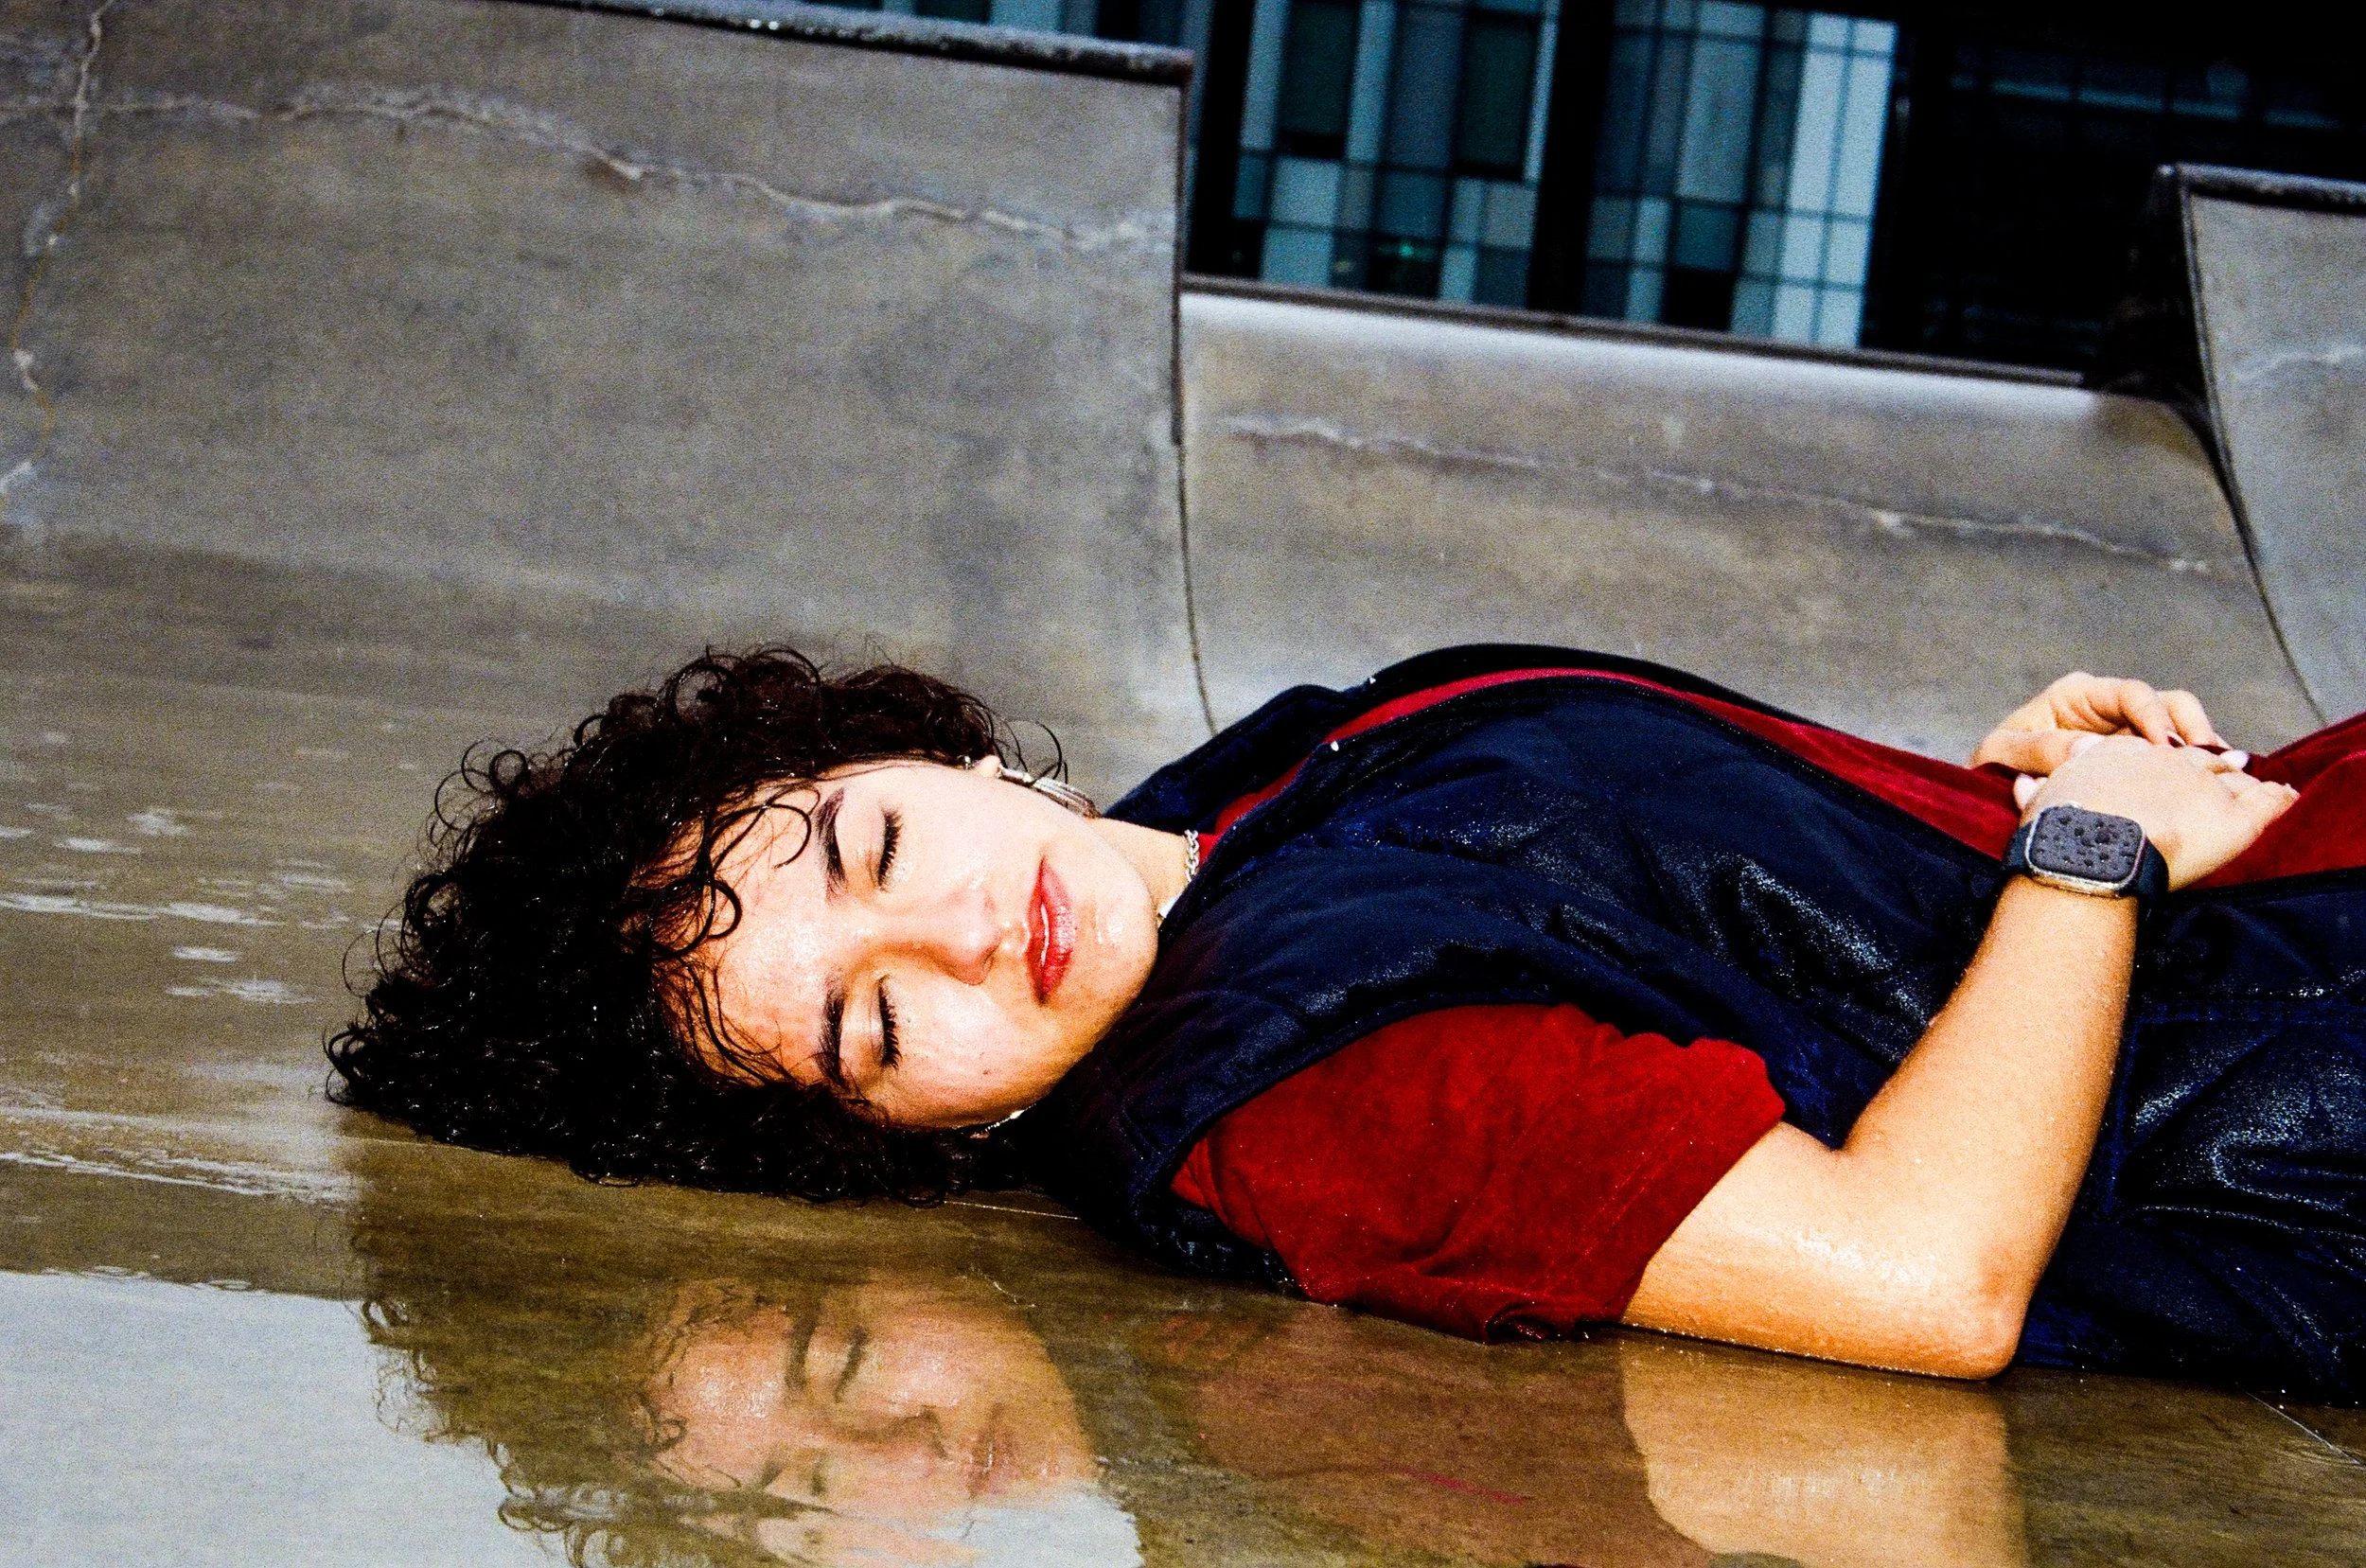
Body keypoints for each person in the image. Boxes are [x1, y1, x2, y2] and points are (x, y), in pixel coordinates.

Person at [329, 644, 2366, 1403]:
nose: (954, 935)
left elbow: (1760, 950)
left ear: (913, 747)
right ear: (882, 1139)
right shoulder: (1310, 1100)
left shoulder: (1238, 807)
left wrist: (1954, 804)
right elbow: (1930, 1276)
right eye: (868, 1032)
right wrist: (2075, 867)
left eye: (870, 844)